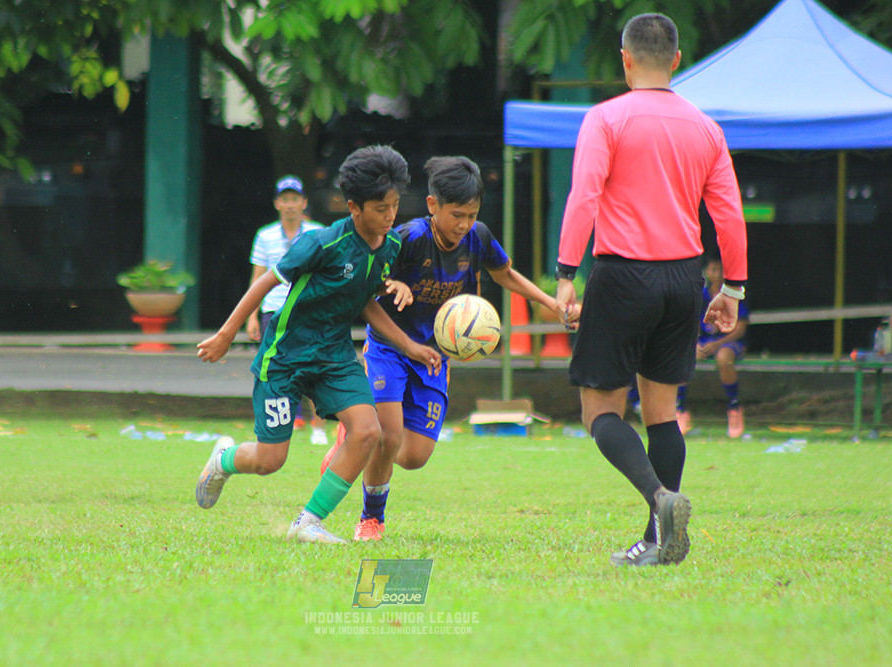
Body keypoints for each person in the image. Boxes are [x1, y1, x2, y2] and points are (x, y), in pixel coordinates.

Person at [554, 13, 748, 567]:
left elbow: (584, 198)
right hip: (685, 278)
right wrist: (731, 287)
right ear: (678, 62)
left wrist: (567, 273)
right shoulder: (707, 128)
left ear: (626, 59)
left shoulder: (605, 118)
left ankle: (660, 499)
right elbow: (729, 215)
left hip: (622, 275)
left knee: (599, 412)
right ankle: (658, 540)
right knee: (662, 412)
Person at [194, 145, 442, 544]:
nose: (391, 216)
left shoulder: (390, 247)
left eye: (395, 205)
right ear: (354, 207)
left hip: (335, 356)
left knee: (367, 432)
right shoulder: (323, 243)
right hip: (286, 356)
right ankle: (222, 460)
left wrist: (408, 345)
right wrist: (227, 333)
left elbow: (365, 300)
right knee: (269, 460)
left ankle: (307, 522)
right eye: (381, 208)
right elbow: (266, 282)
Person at [321, 155, 560, 541]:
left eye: (471, 214)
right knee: (388, 435)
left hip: (434, 356)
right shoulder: (410, 238)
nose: (464, 224)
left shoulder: (478, 238)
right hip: (391, 347)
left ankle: (355, 445)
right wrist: (390, 286)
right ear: (433, 207)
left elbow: (506, 275)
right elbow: (368, 282)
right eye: (457, 215)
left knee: (414, 457)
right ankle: (371, 519)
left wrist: (553, 304)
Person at [246, 175, 329, 446]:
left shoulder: (318, 232)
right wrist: (251, 316)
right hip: (273, 310)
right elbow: (257, 278)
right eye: (285, 199)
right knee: (275, 371)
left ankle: (318, 427)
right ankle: (278, 426)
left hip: (308, 309)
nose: (290, 205)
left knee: (315, 367)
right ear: (276, 203)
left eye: (295, 199)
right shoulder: (265, 235)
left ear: (304, 203)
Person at [676, 256, 750, 438]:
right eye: (712, 270)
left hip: (728, 343)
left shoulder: (734, 293)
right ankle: (680, 410)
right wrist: (694, 344)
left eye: (720, 270)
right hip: (704, 342)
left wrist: (717, 344)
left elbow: (740, 328)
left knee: (723, 358)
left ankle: (734, 408)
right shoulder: (701, 295)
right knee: (682, 356)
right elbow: (688, 322)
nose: (716, 274)